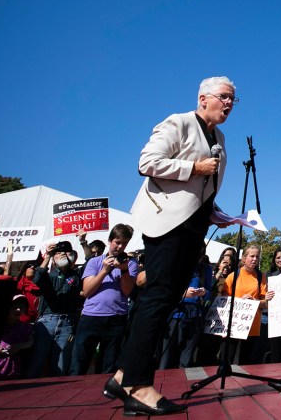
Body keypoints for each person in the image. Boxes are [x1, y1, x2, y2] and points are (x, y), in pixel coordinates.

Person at [107, 75, 237, 416]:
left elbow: (199, 191)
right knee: (158, 299)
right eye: (224, 97)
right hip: (166, 225)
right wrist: (193, 166)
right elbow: (147, 163)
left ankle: (122, 375)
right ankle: (138, 386)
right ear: (203, 97)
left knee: (162, 302)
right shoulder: (178, 122)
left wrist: (215, 213)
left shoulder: (219, 137)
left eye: (232, 100)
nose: (228, 104)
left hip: (193, 227)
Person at [70, 223, 137, 376]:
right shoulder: (94, 262)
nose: (120, 246)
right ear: (110, 241)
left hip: (116, 318)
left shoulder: (130, 264)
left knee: (109, 365)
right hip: (91, 316)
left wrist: (124, 270)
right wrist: (105, 270)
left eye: (124, 243)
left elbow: (127, 291)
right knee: (79, 362)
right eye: (117, 242)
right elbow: (87, 291)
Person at [27, 240, 83, 378]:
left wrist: (82, 241)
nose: (62, 255)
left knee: (60, 363)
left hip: (67, 321)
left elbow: (90, 260)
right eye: (58, 253)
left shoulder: (76, 275)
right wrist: (47, 256)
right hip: (47, 319)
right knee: (37, 359)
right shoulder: (48, 274)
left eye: (66, 252)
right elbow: (37, 280)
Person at [158, 255, 214, 369]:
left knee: (186, 359)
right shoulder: (176, 265)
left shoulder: (206, 269)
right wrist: (183, 294)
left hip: (195, 316)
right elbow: (164, 290)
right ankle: (162, 384)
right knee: (167, 357)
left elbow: (209, 294)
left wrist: (204, 293)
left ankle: (183, 384)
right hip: (176, 315)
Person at [0, 295, 34, 381]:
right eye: (15, 307)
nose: (18, 310)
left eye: (22, 308)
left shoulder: (25, 327)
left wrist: (19, 346)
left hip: (12, 368)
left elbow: (30, 342)